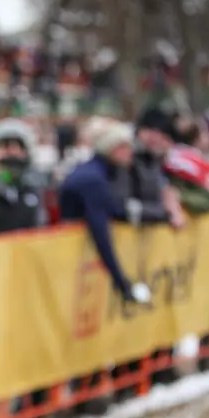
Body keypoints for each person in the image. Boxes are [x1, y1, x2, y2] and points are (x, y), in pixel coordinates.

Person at [59, 119, 165, 304]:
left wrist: (159, 215)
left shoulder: (107, 174)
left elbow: (117, 209)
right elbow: (100, 232)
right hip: (67, 260)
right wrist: (121, 282)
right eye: (124, 147)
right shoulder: (93, 179)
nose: (130, 153)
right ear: (110, 149)